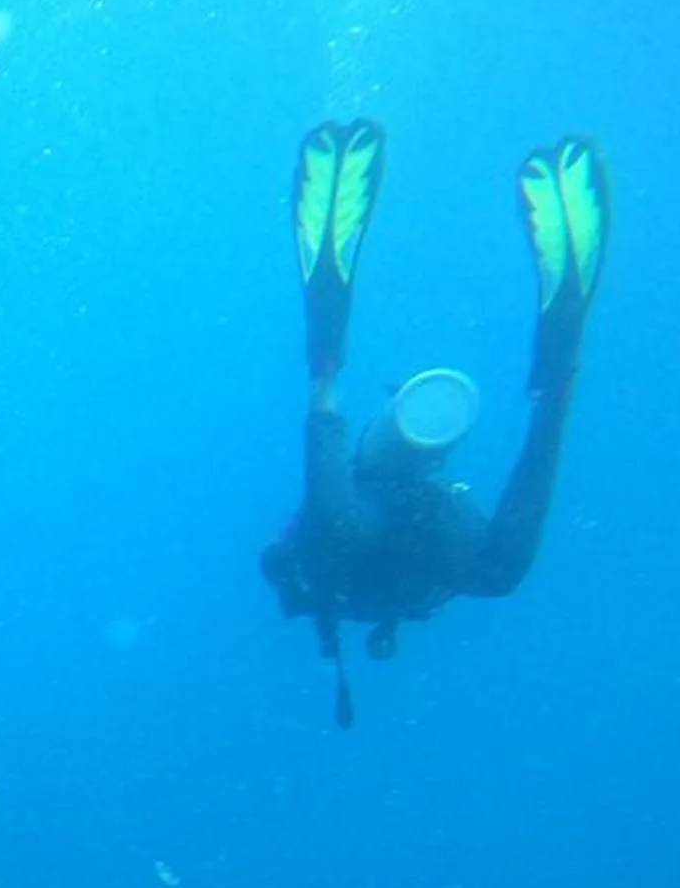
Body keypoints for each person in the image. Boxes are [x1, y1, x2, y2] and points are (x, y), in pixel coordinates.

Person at [260, 121, 612, 725]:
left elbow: (289, 550)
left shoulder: (327, 564)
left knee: (363, 531)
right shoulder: (356, 554)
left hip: (384, 519)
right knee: (496, 570)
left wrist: (295, 573)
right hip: (420, 528)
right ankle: (557, 387)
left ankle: (554, 392)